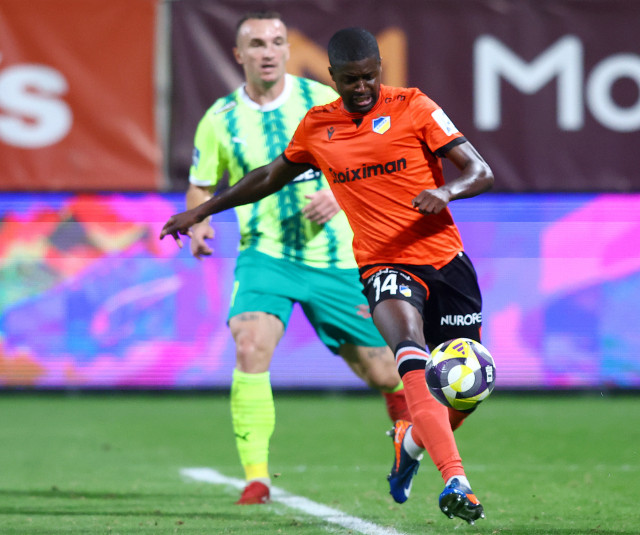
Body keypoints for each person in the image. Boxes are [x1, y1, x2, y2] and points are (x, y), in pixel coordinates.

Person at [161, 26, 494, 524]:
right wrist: (201, 210)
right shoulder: (318, 125)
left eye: (369, 77)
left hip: (446, 261)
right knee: (410, 355)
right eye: (350, 80)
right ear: (333, 77)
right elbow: (268, 177)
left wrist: (445, 193)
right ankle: (456, 481)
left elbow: (480, 171)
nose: (361, 88)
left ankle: (410, 440)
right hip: (381, 263)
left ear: (379, 69)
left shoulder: (415, 106)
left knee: (468, 387)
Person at [181, 14, 409, 506]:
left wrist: (338, 191)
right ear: (239, 55)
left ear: (288, 50)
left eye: (277, 42)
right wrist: (199, 221)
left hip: (336, 259)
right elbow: (201, 182)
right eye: (256, 43)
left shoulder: (323, 101)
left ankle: (409, 446)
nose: (268, 51)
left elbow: (374, 157)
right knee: (249, 345)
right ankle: (256, 479)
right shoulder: (220, 118)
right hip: (266, 256)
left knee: (385, 374)